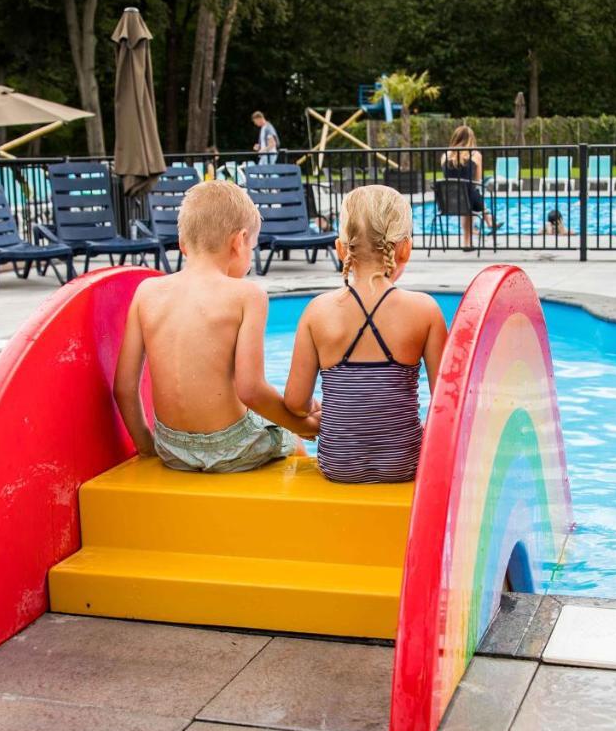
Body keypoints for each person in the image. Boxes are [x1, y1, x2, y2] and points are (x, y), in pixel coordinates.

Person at [113, 180, 317, 473]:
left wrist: (148, 448)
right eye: (252, 247)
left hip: (171, 448)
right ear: (239, 241)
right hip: (231, 447)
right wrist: (301, 424)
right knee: (291, 439)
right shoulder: (248, 295)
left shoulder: (146, 292)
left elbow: (124, 388)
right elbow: (251, 390)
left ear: (183, 243)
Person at [283, 185, 447, 484]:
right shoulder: (425, 310)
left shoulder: (318, 311)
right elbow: (446, 403)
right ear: (405, 248)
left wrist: (319, 410)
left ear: (341, 249)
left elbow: (294, 402)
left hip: (337, 463)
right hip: (404, 462)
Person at [440, 125, 500, 250]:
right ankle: (488, 219)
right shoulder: (475, 155)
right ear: (470, 139)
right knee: (472, 194)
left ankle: (469, 240)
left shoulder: (445, 156)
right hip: (468, 199)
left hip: (448, 200)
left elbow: (446, 178)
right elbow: (477, 180)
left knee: (467, 196)